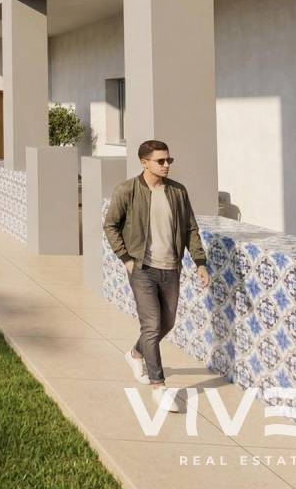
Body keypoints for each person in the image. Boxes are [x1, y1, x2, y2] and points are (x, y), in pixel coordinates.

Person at [104, 139, 210, 414]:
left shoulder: (177, 192)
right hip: (142, 269)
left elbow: (190, 229)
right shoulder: (127, 190)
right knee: (151, 325)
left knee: (167, 323)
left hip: (171, 268)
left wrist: (200, 262)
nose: (166, 165)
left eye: (168, 160)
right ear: (144, 163)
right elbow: (110, 225)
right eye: (160, 161)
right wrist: (126, 258)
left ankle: (135, 354)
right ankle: (159, 387)